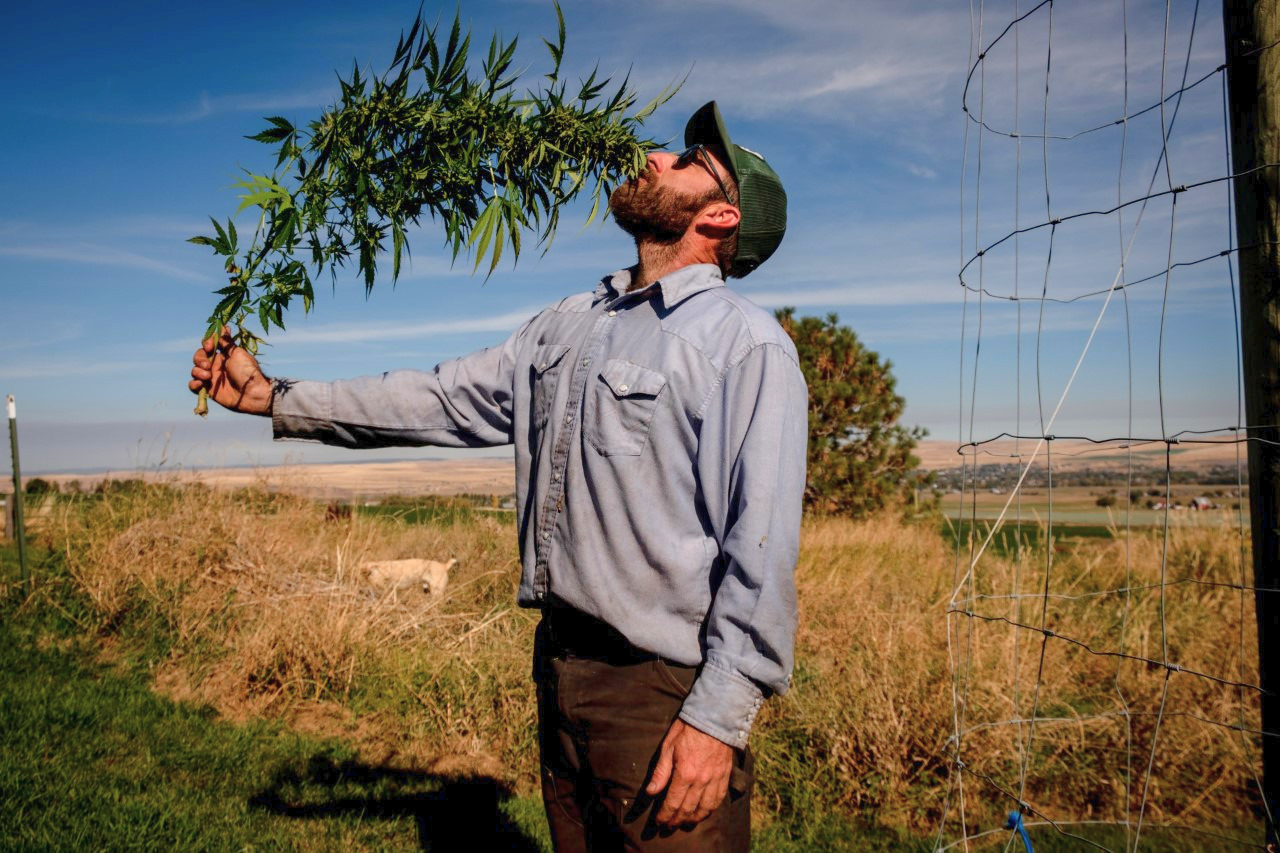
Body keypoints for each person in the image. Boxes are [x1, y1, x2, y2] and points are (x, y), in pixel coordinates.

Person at [189, 101, 807, 852]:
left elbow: (762, 548)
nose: (651, 155)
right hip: (560, 670)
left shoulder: (745, 347)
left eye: (683, 162)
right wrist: (272, 397)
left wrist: (717, 719)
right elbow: (443, 397)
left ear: (719, 216)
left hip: (662, 689)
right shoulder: (573, 320)